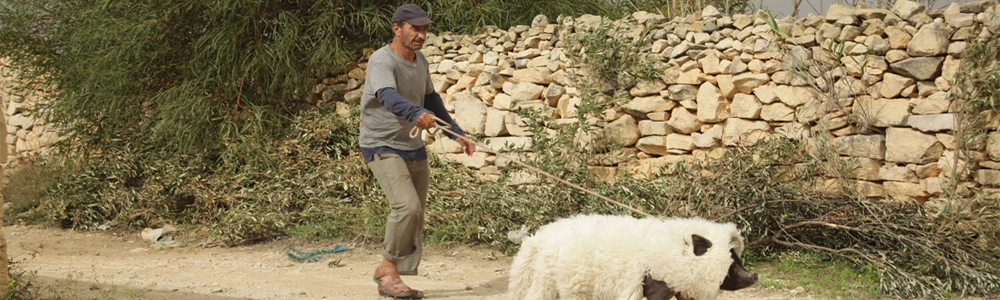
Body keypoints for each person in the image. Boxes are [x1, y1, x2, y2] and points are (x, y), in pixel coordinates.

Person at [359, 3, 474, 299]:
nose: (421, 35)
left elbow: (430, 98)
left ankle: (395, 275)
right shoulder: (381, 61)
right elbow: (387, 96)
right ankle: (387, 269)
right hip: (381, 143)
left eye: (424, 29)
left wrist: (456, 132)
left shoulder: (419, 60)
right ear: (396, 28)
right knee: (406, 206)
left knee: (417, 212)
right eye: (415, 29)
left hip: (411, 144)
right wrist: (415, 114)